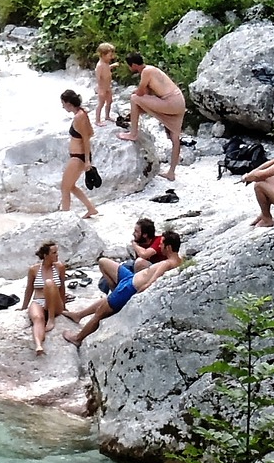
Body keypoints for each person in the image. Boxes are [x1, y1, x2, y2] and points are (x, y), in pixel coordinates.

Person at [65, 230, 183, 343]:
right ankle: (79, 315)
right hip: (130, 278)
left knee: (100, 313)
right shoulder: (180, 262)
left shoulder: (167, 264)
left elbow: (150, 284)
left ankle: (77, 338)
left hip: (129, 289)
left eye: (162, 244)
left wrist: (133, 300)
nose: (160, 246)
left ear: (168, 247)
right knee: (103, 262)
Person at [120, 52, 186, 180]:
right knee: (175, 137)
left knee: (134, 99)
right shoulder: (152, 69)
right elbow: (147, 93)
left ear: (133, 65)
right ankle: (171, 173)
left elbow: (139, 93)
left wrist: (135, 92)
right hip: (179, 102)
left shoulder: (146, 72)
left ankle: (133, 134)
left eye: (129, 66)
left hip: (170, 102)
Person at [21, 241, 70, 354]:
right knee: (38, 318)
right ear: (45, 255)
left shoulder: (60, 267)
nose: (57, 255)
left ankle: (51, 319)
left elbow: (62, 287)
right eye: (54, 252)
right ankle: (38, 345)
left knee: (49, 283)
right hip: (39, 300)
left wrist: (64, 306)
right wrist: (24, 306)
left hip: (55, 303)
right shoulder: (34, 269)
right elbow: (29, 289)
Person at [59, 90, 99, 218]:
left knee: (65, 187)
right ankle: (91, 208)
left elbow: (86, 138)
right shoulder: (82, 113)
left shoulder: (79, 117)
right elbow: (90, 132)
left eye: (63, 103)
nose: (62, 106)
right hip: (78, 156)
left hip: (79, 157)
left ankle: (64, 217)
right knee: (70, 186)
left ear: (69, 103)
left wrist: (87, 161)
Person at [94, 43, 117, 125]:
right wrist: (99, 88)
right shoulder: (99, 65)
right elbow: (98, 76)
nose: (112, 57)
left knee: (110, 101)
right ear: (103, 55)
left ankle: (107, 116)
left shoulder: (106, 63)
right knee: (101, 104)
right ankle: (97, 120)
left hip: (108, 87)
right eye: (110, 55)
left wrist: (112, 66)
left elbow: (107, 69)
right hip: (102, 88)